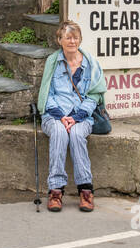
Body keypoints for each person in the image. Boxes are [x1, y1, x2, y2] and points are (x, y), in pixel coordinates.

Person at [37, 20, 107, 213]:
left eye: (75, 37)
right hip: (54, 115)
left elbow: (94, 95)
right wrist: (61, 116)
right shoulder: (53, 61)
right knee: (59, 133)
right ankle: (56, 191)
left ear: (80, 40)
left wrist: (76, 117)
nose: (72, 41)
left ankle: (86, 191)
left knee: (76, 135)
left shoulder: (91, 63)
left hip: (82, 116)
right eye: (67, 37)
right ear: (59, 40)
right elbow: (46, 94)